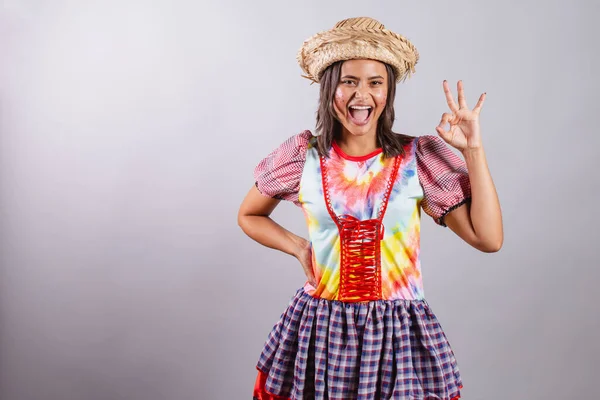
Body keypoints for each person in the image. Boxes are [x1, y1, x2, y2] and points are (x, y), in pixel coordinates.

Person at [238, 16, 503, 400]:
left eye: (375, 83)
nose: (362, 95)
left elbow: (488, 238)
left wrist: (473, 151)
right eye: (349, 81)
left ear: (388, 93)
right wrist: (298, 247)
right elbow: (249, 214)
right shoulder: (303, 158)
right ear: (330, 89)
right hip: (321, 329)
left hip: (396, 333)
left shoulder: (418, 159)